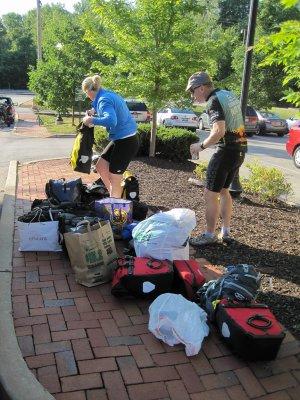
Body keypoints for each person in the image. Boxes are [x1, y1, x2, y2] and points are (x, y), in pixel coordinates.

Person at [186, 71, 247, 246]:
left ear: (202, 87)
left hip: (226, 150)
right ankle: (225, 232)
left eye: (192, 91)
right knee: (224, 191)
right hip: (240, 150)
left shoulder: (213, 100)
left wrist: (201, 146)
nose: (192, 95)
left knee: (209, 193)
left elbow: (219, 131)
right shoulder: (227, 94)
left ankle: (209, 235)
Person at [82, 74, 139, 198]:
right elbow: (110, 108)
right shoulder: (106, 95)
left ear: (90, 90)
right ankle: (115, 196)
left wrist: (91, 119)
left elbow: (111, 120)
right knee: (101, 167)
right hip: (120, 138)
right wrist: (94, 111)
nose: (87, 96)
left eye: (86, 93)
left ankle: (116, 207)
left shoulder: (103, 100)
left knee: (115, 177)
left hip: (126, 141)